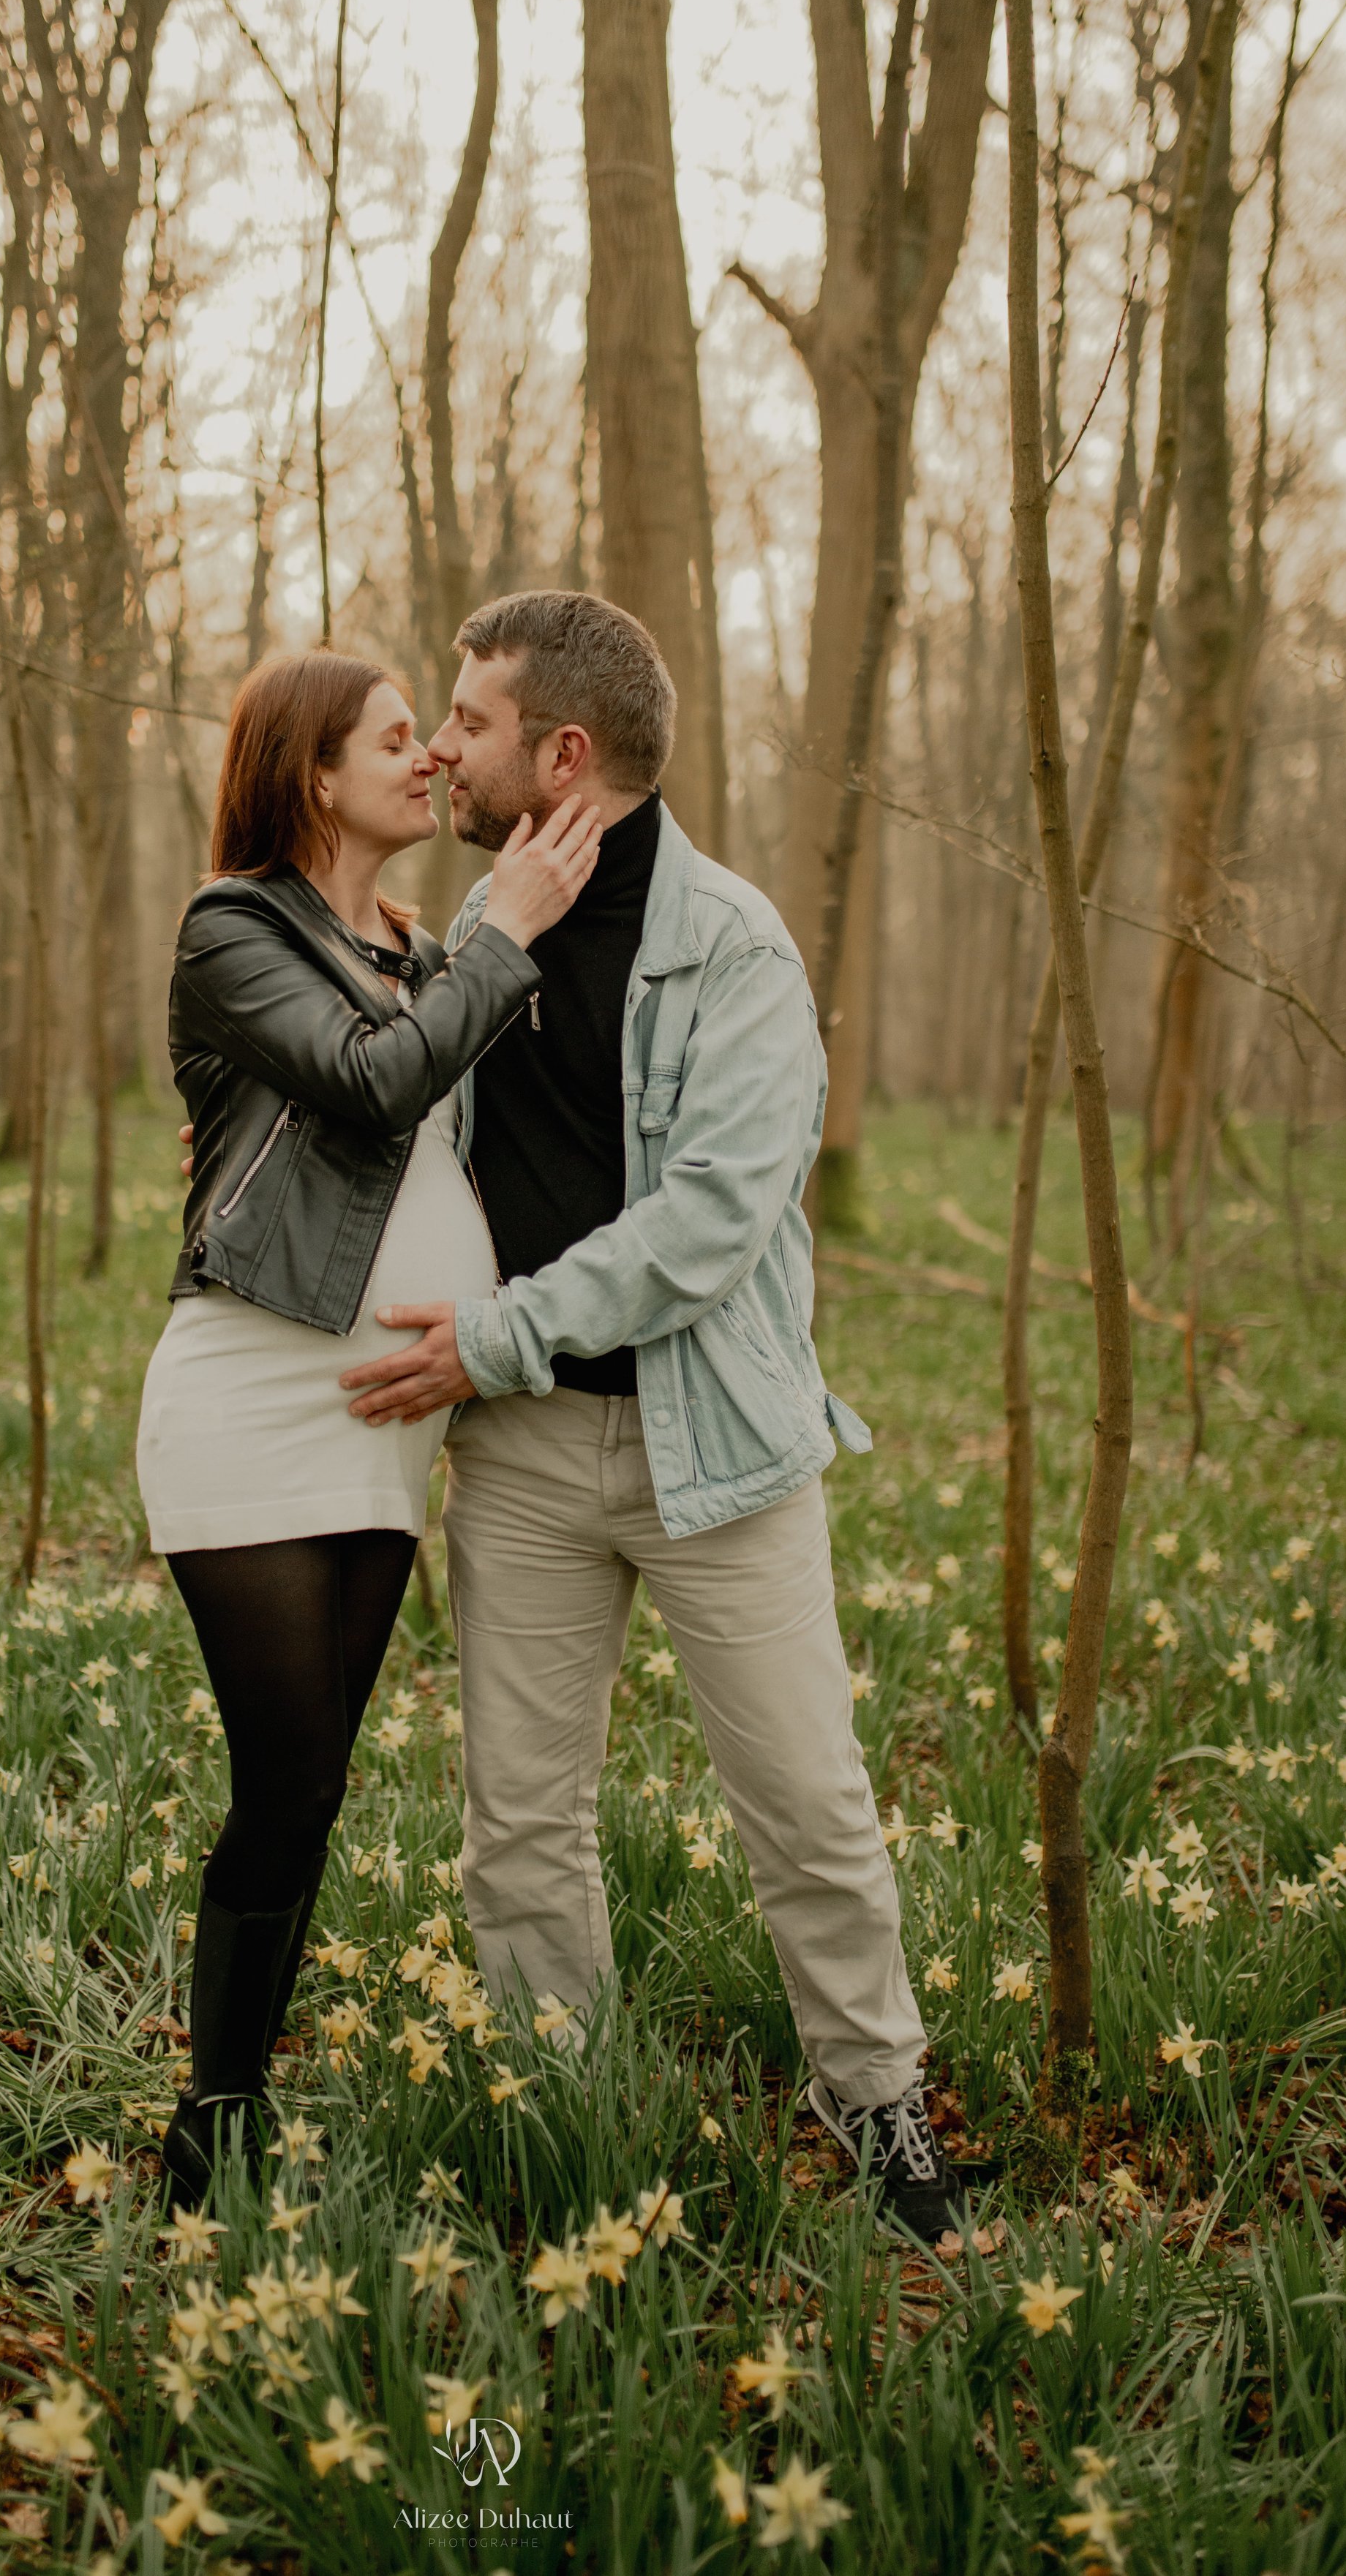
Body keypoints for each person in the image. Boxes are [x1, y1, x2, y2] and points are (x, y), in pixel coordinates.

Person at [336, 590, 965, 2245]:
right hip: (525, 1457)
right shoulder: (474, 933)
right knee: (518, 1827)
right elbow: (388, 1123)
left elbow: (704, 1229)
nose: (441, 746)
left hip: (719, 1455)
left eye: (468, 721)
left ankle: (881, 2103)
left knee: (806, 1806)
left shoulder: (734, 949)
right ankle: (570, 2115)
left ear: (559, 751)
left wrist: (496, 1337)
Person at [136, 647, 600, 2205]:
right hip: (249, 1399)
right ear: (311, 774)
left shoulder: (414, 944)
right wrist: (506, 934)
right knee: (278, 1780)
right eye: (394, 741)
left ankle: (238, 2100)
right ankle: (207, 2134)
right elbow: (368, 1085)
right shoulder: (233, 926)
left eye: (428, 737)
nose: (426, 762)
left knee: (319, 1780)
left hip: (386, 1416)